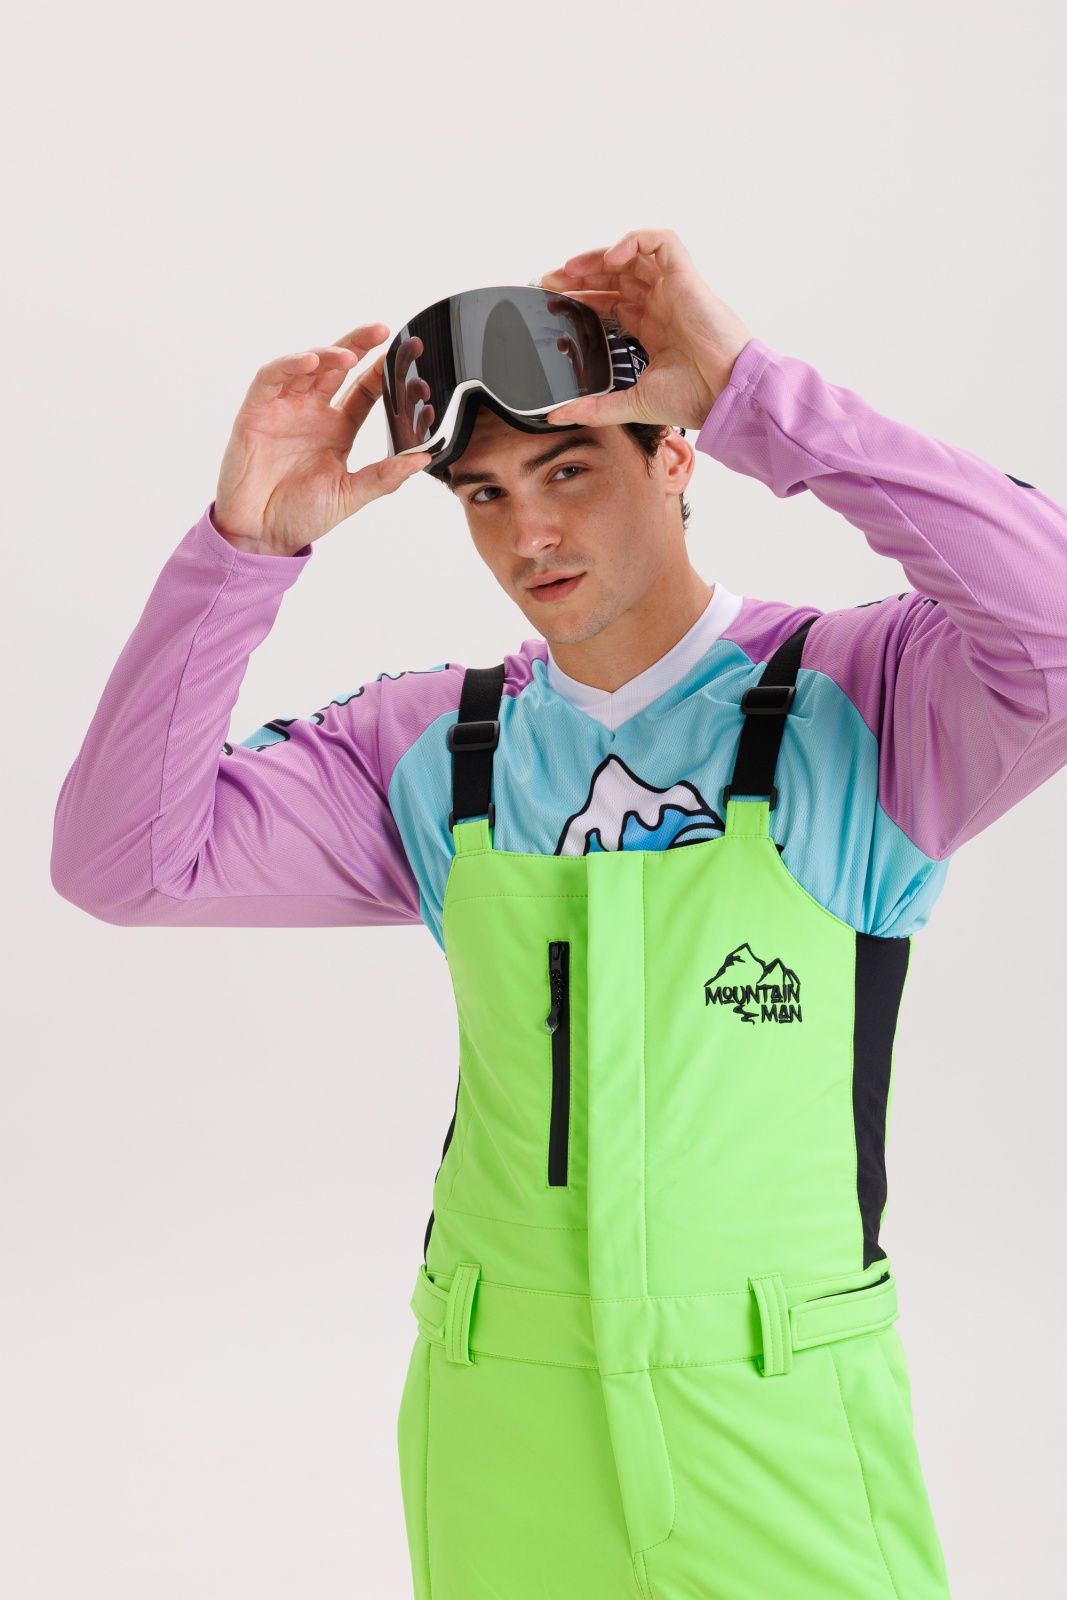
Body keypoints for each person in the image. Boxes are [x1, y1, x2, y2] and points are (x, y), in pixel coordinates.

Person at [51, 229, 1067, 1600]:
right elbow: (122, 861)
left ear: (677, 453)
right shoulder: (435, 750)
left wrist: (759, 391)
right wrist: (243, 550)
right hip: (500, 1417)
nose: (527, 535)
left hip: (778, 1422)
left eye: (570, 470)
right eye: (484, 493)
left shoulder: (865, 702)